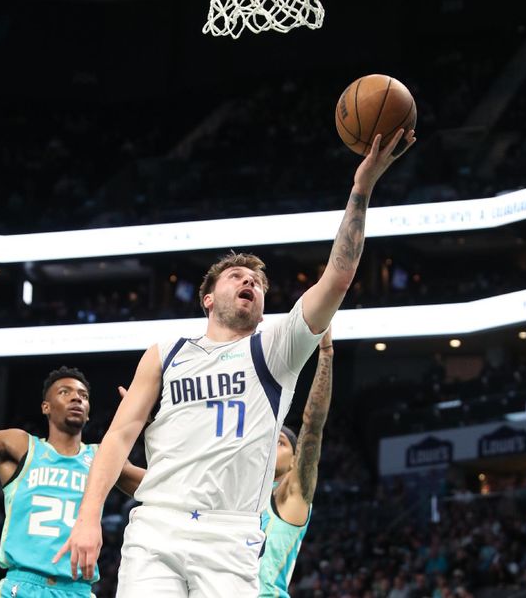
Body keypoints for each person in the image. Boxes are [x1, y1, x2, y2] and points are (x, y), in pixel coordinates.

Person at [56, 128, 416, 597]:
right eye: (236, 276)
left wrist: (361, 189)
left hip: (231, 536)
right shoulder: (165, 353)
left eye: (257, 282)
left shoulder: (276, 348)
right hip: (156, 527)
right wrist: (88, 517)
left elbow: (340, 275)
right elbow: (118, 438)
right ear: (208, 297)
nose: (249, 282)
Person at [0, 338, 144, 598]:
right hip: (23, 587)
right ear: (46, 407)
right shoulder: (21, 446)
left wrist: (149, 427)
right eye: (65, 392)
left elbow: (164, 486)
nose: (76, 398)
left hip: (78, 591)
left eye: (83, 395)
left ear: (89, 411)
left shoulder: (102, 457)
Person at [259, 328, 333, 597]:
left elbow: (312, 426)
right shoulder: (241, 492)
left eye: (280, 443)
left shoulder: (290, 495)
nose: (271, 446)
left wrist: (326, 354)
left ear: (294, 462)